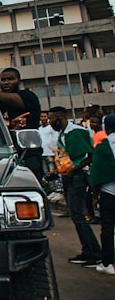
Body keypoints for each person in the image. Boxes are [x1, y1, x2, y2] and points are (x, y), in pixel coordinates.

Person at [49, 106, 102, 266]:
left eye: (52, 119)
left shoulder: (75, 131)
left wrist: (75, 168)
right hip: (68, 175)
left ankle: (93, 252)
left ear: (60, 117)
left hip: (77, 177)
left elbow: (89, 155)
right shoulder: (63, 133)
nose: (50, 122)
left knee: (78, 215)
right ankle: (88, 250)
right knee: (76, 215)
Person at [0, 68, 43, 177]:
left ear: (19, 81)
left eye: (10, 79)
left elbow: (7, 98)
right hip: (2, 154)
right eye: (3, 80)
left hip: (27, 155)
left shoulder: (28, 96)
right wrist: (11, 126)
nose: (6, 82)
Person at [91, 114, 115, 274]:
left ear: (106, 127)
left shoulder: (103, 147)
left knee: (107, 228)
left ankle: (108, 263)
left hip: (109, 192)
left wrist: (94, 196)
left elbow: (96, 174)